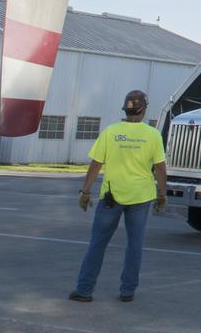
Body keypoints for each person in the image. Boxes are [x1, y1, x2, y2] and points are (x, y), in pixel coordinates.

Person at [68, 90, 167, 303]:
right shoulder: (153, 135)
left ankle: (85, 290)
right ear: (143, 110)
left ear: (126, 109)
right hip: (141, 198)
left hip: (112, 198)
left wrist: (85, 192)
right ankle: (127, 291)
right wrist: (162, 195)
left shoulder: (110, 132)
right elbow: (160, 168)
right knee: (134, 245)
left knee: (97, 244)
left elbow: (96, 164)